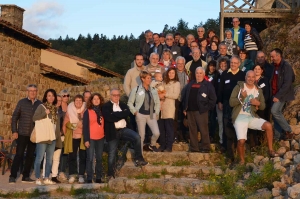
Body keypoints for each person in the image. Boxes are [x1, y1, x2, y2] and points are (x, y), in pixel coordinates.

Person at [229, 70, 278, 165]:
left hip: (251, 117)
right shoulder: (239, 87)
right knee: (242, 141)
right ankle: (242, 161)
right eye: (249, 77)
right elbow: (231, 103)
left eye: (252, 77)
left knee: (268, 125)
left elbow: (263, 106)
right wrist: (241, 98)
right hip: (239, 116)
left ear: (255, 78)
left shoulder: (258, 90)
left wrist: (258, 103)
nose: (251, 79)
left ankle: (271, 150)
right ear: (245, 78)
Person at [102, 89, 148, 179]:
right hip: (113, 131)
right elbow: (108, 118)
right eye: (114, 95)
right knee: (112, 153)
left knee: (137, 137)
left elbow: (126, 112)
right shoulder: (106, 106)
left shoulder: (123, 104)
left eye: (118, 95)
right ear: (110, 96)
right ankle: (110, 174)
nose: (116, 97)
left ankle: (139, 158)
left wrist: (114, 114)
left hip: (123, 129)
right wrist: (120, 114)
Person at [9, 84, 42, 184]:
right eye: (30, 91)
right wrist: (14, 131)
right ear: (27, 92)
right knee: (19, 155)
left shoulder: (40, 104)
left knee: (30, 156)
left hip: (33, 135)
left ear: (36, 92)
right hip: (22, 133)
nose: (32, 92)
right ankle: (12, 176)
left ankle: (26, 176)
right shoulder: (22, 102)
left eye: (34, 91)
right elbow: (15, 117)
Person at [181, 67, 217, 152]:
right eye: (197, 73)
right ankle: (194, 147)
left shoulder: (208, 85)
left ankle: (205, 147)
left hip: (201, 111)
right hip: (190, 110)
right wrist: (184, 108)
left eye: (200, 73)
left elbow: (213, 99)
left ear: (204, 74)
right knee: (192, 130)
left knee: (203, 129)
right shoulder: (190, 84)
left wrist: (206, 108)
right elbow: (185, 96)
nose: (199, 75)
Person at [217, 56, 245, 161]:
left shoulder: (243, 75)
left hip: (239, 105)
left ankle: (239, 149)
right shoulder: (224, 74)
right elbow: (220, 89)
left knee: (238, 126)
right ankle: (229, 152)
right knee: (226, 126)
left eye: (235, 63)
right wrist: (219, 101)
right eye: (231, 63)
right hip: (226, 103)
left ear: (239, 64)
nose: (233, 64)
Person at [33, 89, 62, 185]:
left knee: (49, 159)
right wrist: (44, 113)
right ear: (46, 97)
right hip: (42, 137)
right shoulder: (41, 107)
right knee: (39, 158)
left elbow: (55, 125)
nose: (51, 97)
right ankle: (37, 177)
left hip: (52, 137)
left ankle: (46, 178)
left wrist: (57, 137)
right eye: (49, 95)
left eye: (53, 96)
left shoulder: (55, 109)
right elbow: (34, 118)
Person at [127, 71, 160, 152]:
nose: (150, 80)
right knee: (141, 136)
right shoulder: (136, 90)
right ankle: (140, 154)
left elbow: (157, 102)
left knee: (156, 133)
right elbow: (130, 103)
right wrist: (135, 112)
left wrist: (157, 112)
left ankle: (152, 145)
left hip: (151, 114)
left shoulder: (153, 90)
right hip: (140, 114)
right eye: (148, 78)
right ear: (143, 79)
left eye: (150, 78)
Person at [270, 48, 295, 141]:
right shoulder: (273, 66)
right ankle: (278, 137)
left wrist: (278, 96)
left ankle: (288, 130)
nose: (271, 58)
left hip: (282, 94)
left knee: (275, 111)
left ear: (278, 56)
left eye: (272, 56)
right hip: (274, 93)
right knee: (275, 115)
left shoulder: (286, 66)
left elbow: (287, 82)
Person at [62, 95, 86, 184]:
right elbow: (66, 122)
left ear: (82, 101)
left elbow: (88, 122)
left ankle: (81, 175)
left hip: (83, 136)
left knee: (83, 156)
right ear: (74, 101)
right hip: (73, 136)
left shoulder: (86, 109)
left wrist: (82, 125)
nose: (78, 102)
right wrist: (74, 126)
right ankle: (72, 174)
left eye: (80, 100)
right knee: (72, 156)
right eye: (77, 100)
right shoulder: (70, 109)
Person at [83, 93, 105, 183]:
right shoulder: (87, 112)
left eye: (98, 99)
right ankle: (89, 177)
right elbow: (85, 127)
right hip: (91, 138)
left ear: (100, 100)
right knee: (90, 158)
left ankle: (98, 177)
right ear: (91, 101)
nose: (96, 100)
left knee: (99, 158)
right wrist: (86, 140)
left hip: (101, 137)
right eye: (94, 99)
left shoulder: (103, 111)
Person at [248, 64, 271, 149]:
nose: (257, 70)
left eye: (259, 69)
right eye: (255, 68)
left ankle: (262, 144)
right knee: (252, 126)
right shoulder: (250, 80)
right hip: (251, 107)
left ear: (262, 71)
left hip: (262, 107)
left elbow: (267, 94)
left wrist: (259, 104)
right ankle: (253, 145)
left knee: (262, 125)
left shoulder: (265, 80)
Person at [157, 68, 180, 152]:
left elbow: (175, 95)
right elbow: (159, 90)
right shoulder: (163, 82)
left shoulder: (176, 83)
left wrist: (165, 94)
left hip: (170, 108)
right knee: (161, 128)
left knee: (169, 128)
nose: (171, 74)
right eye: (169, 73)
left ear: (175, 74)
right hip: (161, 108)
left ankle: (169, 146)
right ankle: (162, 145)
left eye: (172, 73)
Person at [43, 95, 64, 183]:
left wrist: (62, 132)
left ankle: (54, 175)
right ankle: (45, 175)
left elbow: (64, 125)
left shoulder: (62, 113)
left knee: (56, 158)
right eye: (57, 100)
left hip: (59, 137)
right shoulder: (48, 110)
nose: (59, 102)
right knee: (47, 157)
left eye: (60, 101)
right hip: (49, 137)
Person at [124, 53, 145, 131]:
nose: (139, 61)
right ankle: (134, 139)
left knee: (144, 120)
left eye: (141, 59)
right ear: (135, 61)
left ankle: (144, 140)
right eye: (137, 60)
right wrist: (131, 97)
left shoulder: (146, 70)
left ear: (143, 61)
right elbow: (126, 85)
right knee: (133, 120)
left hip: (145, 100)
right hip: (134, 100)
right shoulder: (130, 72)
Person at [175, 56, 189, 142]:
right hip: (176, 99)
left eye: (182, 63)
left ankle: (184, 136)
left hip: (185, 99)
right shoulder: (173, 73)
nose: (180, 65)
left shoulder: (188, 73)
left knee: (185, 118)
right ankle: (176, 136)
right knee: (176, 118)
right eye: (178, 63)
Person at [216, 58, 229, 146]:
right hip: (218, 101)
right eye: (221, 64)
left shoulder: (229, 74)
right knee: (220, 121)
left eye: (225, 64)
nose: (223, 66)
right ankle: (221, 140)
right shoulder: (216, 74)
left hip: (227, 101)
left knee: (227, 121)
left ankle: (228, 140)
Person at [205, 60, 219, 143]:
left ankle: (212, 136)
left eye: (214, 66)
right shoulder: (205, 75)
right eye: (211, 66)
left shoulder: (217, 75)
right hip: (205, 100)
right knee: (205, 119)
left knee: (212, 119)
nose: (212, 67)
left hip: (213, 100)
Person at [57, 89, 69, 182]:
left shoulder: (70, 107)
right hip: (58, 133)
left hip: (67, 134)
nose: (66, 97)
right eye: (64, 95)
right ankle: (54, 172)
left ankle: (62, 171)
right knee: (56, 153)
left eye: (67, 95)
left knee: (65, 153)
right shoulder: (58, 107)